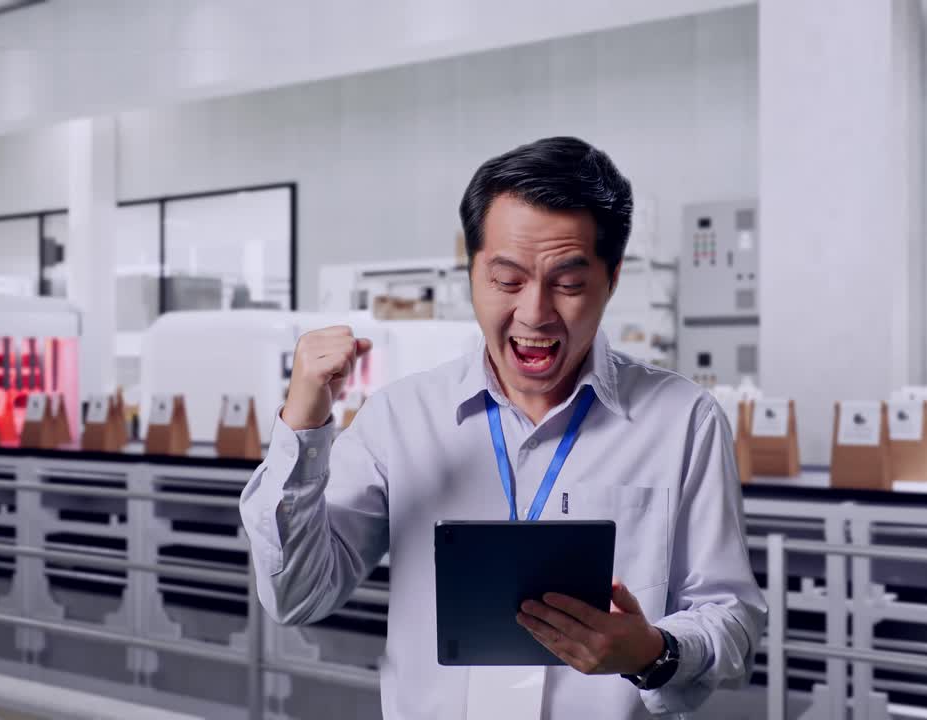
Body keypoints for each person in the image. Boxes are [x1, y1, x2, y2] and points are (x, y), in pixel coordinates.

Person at [240, 136, 765, 719]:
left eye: (567, 284)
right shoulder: (402, 418)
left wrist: (654, 652)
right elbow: (298, 595)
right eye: (507, 280)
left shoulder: (682, 422)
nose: (535, 313)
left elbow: (730, 616)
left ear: (612, 277)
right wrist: (304, 424)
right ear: (472, 272)